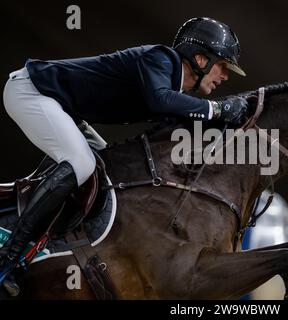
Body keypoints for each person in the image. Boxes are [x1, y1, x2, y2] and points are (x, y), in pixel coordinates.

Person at [0, 17, 248, 296]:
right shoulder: (161, 59)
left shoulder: (173, 86)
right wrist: (217, 109)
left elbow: (180, 119)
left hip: (61, 107)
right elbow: (161, 101)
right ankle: (9, 256)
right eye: (223, 66)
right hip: (32, 91)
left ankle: (51, 244)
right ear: (200, 59)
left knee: (107, 170)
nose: (225, 77)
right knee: (81, 163)